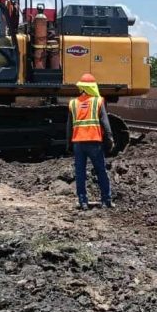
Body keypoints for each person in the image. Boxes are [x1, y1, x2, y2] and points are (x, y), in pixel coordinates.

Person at [67, 73, 114, 210]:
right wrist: (110, 139)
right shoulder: (98, 101)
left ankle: (83, 202)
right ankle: (106, 200)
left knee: (80, 173)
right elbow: (105, 123)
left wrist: (68, 144)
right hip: (94, 142)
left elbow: (69, 126)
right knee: (101, 171)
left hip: (78, 143)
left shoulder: (73, 103)